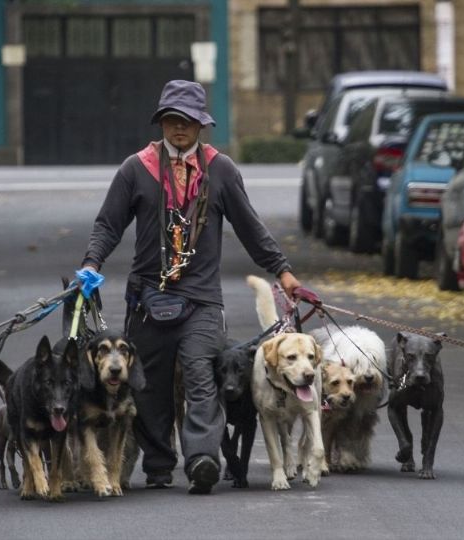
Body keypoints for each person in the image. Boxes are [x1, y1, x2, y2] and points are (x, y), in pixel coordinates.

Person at [80, 80, 300, 494]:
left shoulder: (221, 170)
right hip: (148, 297)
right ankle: (160, 465)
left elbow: (251, 228)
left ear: (202, 125)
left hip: (200, 300)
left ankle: (201, 459)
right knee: (148, 385)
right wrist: (91, 263)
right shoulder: (136, 168)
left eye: (188, 121)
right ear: (161, 122)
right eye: (171, 120)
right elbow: (108, 224)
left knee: (201, 376)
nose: (179, 129)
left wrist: (283, 271)